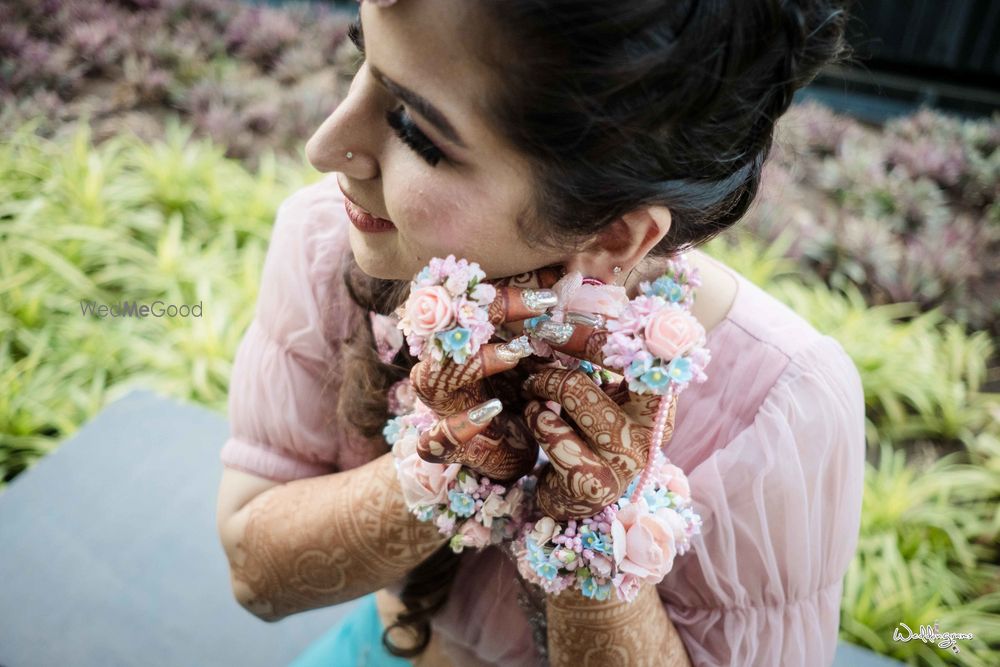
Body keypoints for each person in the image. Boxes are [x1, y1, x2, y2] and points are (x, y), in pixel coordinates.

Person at [214, 0, 866, 665]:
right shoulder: (330, 241)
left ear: (613, 234)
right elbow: (254, 575)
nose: (323, 146)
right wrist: (445, 460)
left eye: (415, 129)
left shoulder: (783, 406)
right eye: (363, 61)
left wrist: (590, 531)